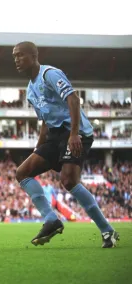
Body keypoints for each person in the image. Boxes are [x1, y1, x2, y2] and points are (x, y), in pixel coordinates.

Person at [12, 41, 119, 248]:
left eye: (20, 55)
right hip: (55, 135)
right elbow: (44, 121)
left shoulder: (49, 74)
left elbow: (73, 99)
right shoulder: (30, 90)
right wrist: (38, 149)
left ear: (34, 56)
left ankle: (108, 231)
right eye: (14, 56)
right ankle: (51, 220)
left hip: (76, 133)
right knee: (22, 172)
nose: (16, 60)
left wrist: (74, 134)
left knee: (68, 181)